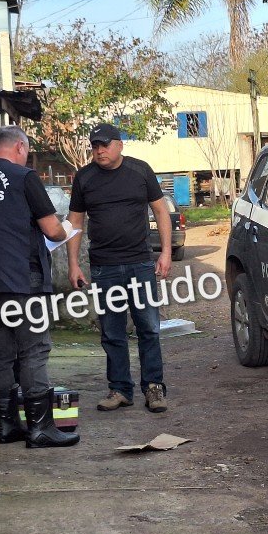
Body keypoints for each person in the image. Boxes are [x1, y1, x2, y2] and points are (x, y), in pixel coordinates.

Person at [0, 125, 78, 449]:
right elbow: (52, 230)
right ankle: (40, 428)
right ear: (20, 148)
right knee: (33, 350)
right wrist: (69, 227)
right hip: (23, 280)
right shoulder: (24, 177)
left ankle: (7, 426)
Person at [66, 123, 172, 414]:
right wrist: (73, 263)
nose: (99, 151)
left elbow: (160, 210)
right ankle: (120, 389)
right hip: (104, 267)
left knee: (148, 328)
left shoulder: (140, 171)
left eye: (105, 145)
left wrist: (165, 252)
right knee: (112, 331)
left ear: (119, 144)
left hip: (140, 263)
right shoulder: (85, 178)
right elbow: (75, 222)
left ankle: (153, 387)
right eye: (95, 146)